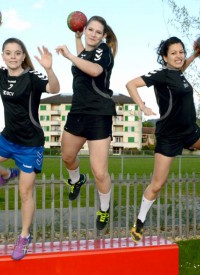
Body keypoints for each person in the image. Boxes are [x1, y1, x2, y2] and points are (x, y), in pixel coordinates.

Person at [0, 24, 60, 260]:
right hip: (7, 139)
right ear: (3, 56)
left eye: (17, 53)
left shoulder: (32, 77)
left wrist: (49, 69)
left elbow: (54, 87)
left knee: (25, 193)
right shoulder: (0, 74)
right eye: (8, 53)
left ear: (23, 56)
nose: (12, 57)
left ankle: (24, 236)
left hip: (30, 145)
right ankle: (8, 174)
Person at [126, 36, 200, 242]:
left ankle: (189, 145)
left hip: (189, 130)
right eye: (173, 53)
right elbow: (130, 84)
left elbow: (181, 68)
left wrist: (194, 54)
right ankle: (139, 222)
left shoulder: (179, 74)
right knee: (157, 184)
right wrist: (142, 106)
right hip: (169, 136)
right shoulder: (162, 74)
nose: (178, 56)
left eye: (181, 52)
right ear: (165, 57)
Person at [56, 16, 118, 230]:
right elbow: (84, 56)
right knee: (67, 157)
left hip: (99, 113)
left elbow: (94, 70)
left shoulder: (104, 51)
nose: (92, 34)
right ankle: (76, 179)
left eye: (97, 32)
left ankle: (104, 208)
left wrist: (70, 55)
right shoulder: (84, 52)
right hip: (78, 112)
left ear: (104, 36)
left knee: (99, 171)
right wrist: (77, 39)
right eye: (89, 29)